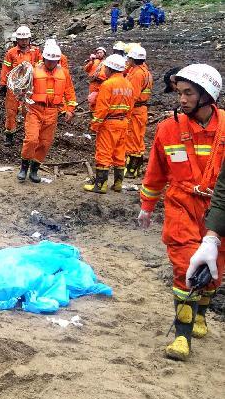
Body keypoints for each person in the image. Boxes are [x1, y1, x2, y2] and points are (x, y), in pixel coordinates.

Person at [137, 64, 225, 361]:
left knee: (215, 272)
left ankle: (201, 312)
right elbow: (156, 171)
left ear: (207, 95)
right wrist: (147, 205)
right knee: (185, 267)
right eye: (180, 92)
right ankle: (182, 337)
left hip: (219, 208)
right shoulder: (168, 128)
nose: (182, 99)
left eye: (189, 93)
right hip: (181, 205)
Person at [16, 41, 77, 183]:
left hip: (52, 111)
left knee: (45, 142)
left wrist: (70, 110)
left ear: (58, 61)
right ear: (44, 59)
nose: (51, 63)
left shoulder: (64, 74)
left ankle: (34, 169)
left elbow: (70, 93)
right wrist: (21, 103)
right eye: (49, 60)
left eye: (54, 61)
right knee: (31, 139)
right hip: (35, 109)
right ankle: (23, 167)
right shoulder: (33, 70)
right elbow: (23, 90)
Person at [84, 54, 134, 193]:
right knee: (119, 154)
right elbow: (131, 106)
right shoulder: (128, 84)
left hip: (109, 124)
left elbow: (102, 109)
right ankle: (118, 184)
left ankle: (100, 185)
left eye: (105, 67)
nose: (104, 70)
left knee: (104, 153)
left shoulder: (107, 84)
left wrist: (94, 125)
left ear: (110, 69)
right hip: (123, 123)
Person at [0, 25, 42, 146]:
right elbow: (6, 68)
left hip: (29, 86)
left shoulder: (35, 52)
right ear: (17, 40)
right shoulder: (11, 53)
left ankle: (29, 134)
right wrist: (3, 83)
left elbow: (40, 68)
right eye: (21, 39)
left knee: (28, 111)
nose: (24, 42)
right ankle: (9, 135)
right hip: (14, 86)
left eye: (26, 39)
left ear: (29, 39)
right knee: (11, 110)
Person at [123, 46, 153, 178]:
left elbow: (132, 96)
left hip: (135, 110)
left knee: (133, 139)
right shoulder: (144, 71)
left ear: (133, 59)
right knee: (138, 138)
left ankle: (131, 169)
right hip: (141, 109)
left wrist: (126, 113)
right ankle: (137, 168)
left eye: (129, 58)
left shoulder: (137, 74)